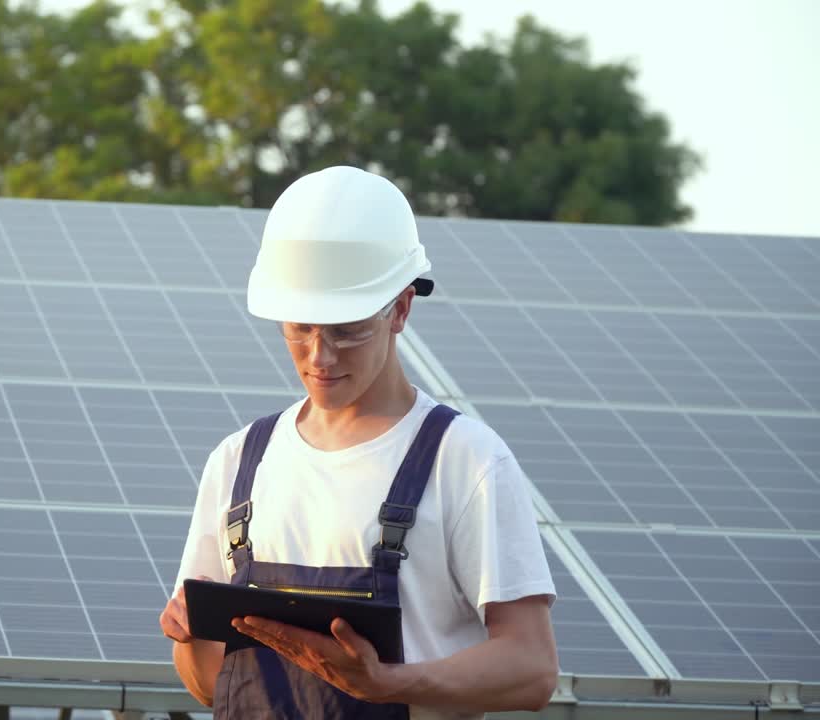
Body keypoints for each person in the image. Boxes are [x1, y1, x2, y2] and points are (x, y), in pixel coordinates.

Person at [158, 166, 559, 719]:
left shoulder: (465, 460)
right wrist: (186, 636)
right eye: (300, 328)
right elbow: (213, 687)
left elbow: (531, 670)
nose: (320, 357)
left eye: (347, 330)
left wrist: (387, 683)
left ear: (400, 308)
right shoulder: (237, 462)